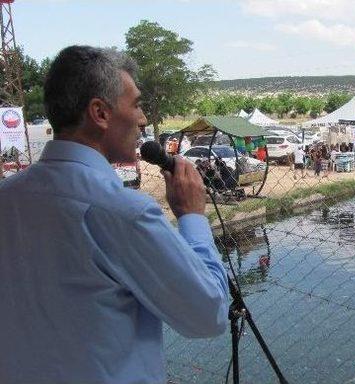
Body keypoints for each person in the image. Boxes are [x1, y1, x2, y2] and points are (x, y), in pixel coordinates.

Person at [0, 46, 229, 383]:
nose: (143, 119)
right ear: (100, 113)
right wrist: (192, 217)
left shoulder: (8, 197)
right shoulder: (124, 212)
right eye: (136, 104)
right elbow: (208, 315)